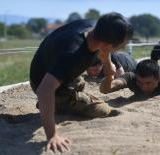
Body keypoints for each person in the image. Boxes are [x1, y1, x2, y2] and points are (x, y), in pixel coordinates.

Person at [29, 12, 133, 153]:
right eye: (120, 47)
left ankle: (53, 102)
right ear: (108, 44)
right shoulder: (74, 55)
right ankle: (53, 103)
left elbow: (104, 51)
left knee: (81, 84)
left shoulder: (94, 27)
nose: (121, 49)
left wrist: (109, 69)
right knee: (103, 110)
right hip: (43, 83)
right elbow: (44, 90)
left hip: (52, 66)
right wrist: (52, 136)